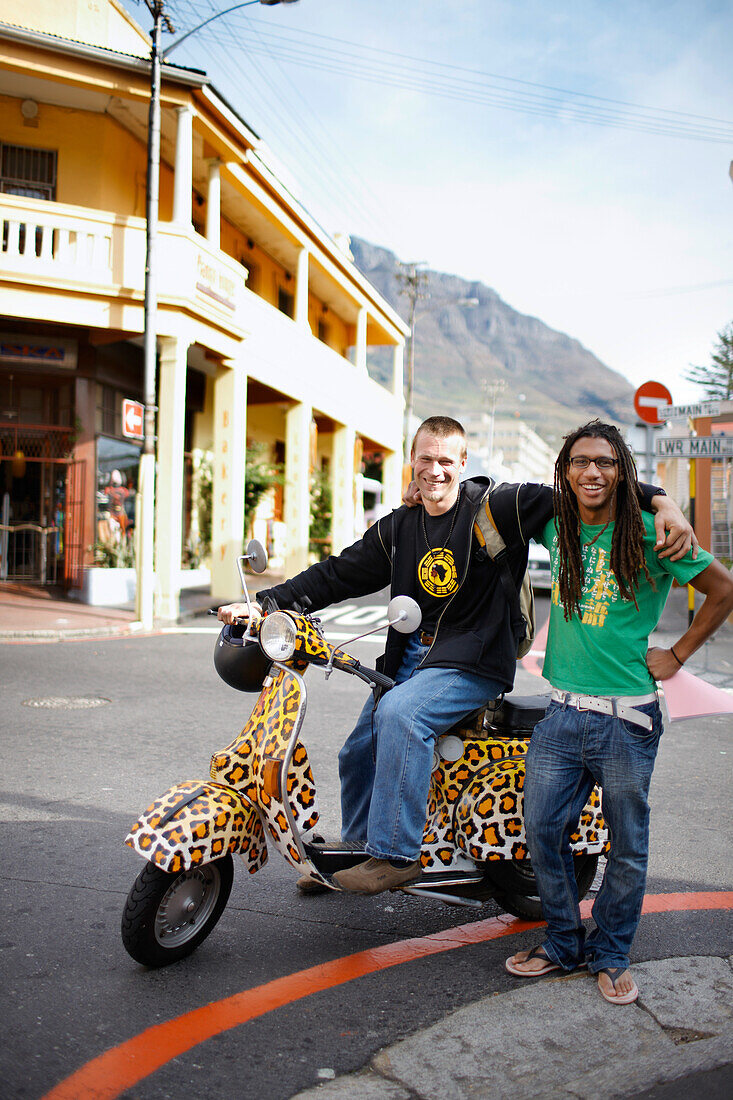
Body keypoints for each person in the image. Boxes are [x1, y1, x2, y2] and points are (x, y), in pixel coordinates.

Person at [218, 416, 690, 896]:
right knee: (357, 750)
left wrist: (662, 500)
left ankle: (395, 855)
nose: (436, 470)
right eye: (426, 459)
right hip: (411, 660)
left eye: (447, 461)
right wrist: (264, 605)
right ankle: (356, 853)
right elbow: (337, 574)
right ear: (413, 462)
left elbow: (587, 485)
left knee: (401, 714)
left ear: (463, 463)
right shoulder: (400, 527)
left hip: (472, 662)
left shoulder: (497, 509)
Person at [505, 421, 733, 1005]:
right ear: (565, 470)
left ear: (622, 470)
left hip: (626, 718)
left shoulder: (658, 536)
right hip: (561, 714)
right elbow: (485, 500)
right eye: (579, 462)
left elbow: (725, 589)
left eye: (604, 463)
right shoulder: (557, 525)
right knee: (542, 831)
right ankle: (562, 942)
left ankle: (610, 952)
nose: (591, 472)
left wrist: (678, 654)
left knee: (626, 845)